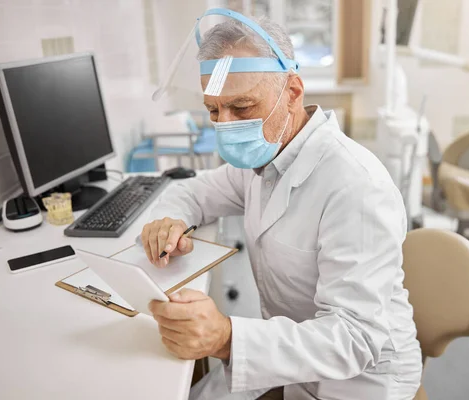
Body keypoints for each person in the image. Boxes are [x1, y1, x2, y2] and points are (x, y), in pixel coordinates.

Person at [141, 9, 422, 400]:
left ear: (292, 93)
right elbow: (194, 191)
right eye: (213, 110)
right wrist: (168, 220)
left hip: (361, 381)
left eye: (241, 108)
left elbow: (356, 338)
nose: (225, 125)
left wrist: (226, 338)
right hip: (291, 360)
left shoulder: (355, 186)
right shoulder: (263, 157)